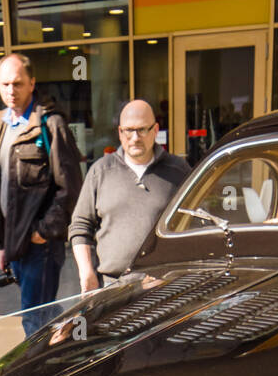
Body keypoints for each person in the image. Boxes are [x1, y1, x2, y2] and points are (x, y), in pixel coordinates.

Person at [0, 52, 83, 335]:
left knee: (34, 319)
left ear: (32, 83)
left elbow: (70, 188)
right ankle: (69, 344)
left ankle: (41, 373)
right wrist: (4, 242)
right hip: (16, 240)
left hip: (39, 244)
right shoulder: (3, 123)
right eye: (4, 84)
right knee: (42, 311)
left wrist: (43, 231)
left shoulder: (51, 124)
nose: (10, 91)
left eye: (17, 83)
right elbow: (0, 187)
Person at [69, 100, 190, 290]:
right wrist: (86, 273)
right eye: (128, 130)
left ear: (155, 130)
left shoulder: (178, 171)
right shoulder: (100, 171)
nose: (135, 138)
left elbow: (194, 225)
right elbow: (80, 226)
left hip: (163, 287)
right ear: (119, 132)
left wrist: (172, 272)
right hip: (111, 286)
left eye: (142, 129)